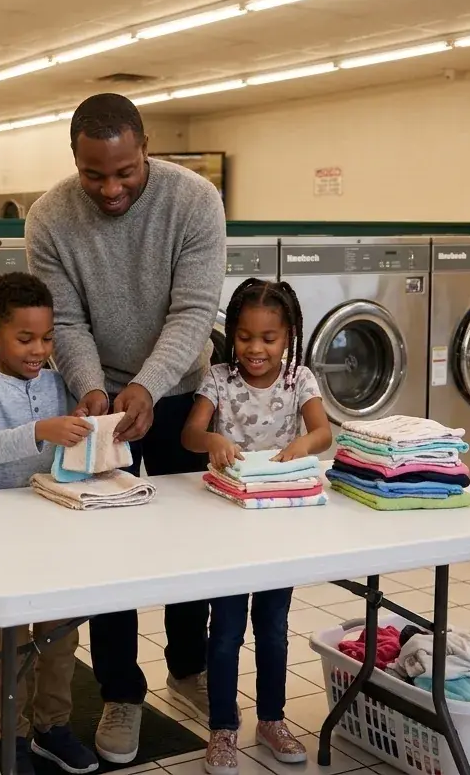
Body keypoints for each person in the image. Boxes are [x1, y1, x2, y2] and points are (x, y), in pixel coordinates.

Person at [25, 92, 226, 764]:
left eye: (124, 172)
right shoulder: (50, 216)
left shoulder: (193, 201)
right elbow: (66, 320)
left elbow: (194, 309)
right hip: (98, 397)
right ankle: (120, 693)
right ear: (74, 159)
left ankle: (189, 666)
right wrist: (93, 389)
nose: (110, 188)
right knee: (108, 550)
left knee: (187, 540)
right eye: (93, 174)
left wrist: (149, 385)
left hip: (180, 391)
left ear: (146, 149)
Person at [181, 278, 333, 774]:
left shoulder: (299, 380)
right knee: (225, 631)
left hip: (277, 524)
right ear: (232, 335)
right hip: (227, 522)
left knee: (272, 627)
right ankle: (222, 728)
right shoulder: (218, 378)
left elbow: (323, 431)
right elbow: (190, 433)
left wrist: (303, 445)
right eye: (245, 336)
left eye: (269, 338)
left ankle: (271, 720)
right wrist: (213, 441)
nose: (255, 348)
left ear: (288, 336)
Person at [0, 272, 100, 775]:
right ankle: (9, 739)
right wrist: (41, 430)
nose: (39, 349)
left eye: (47, 338)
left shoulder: (58, 382)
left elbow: (72, 446)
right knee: (9, 645)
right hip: (1, 531)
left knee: (61, 639)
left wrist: (84, 420)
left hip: (56, 526)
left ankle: (52, 727)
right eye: (25, 339)